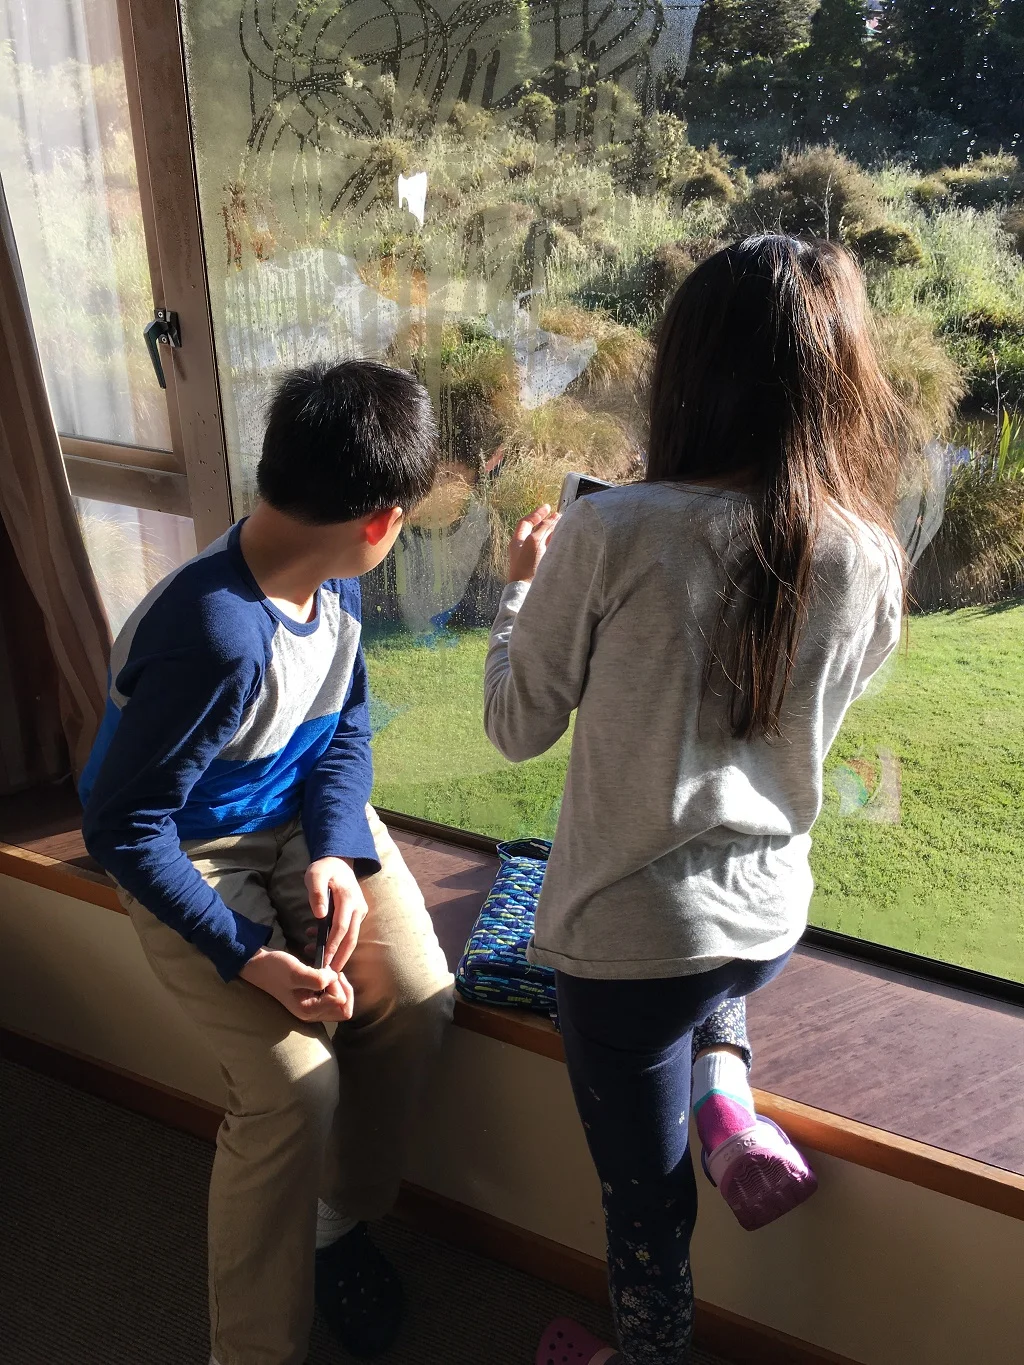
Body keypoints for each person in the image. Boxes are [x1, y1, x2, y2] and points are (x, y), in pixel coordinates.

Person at [483, 236, 906, 1365]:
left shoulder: (609, 529)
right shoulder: (867, 554)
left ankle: (648, 1354)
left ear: (688, 373)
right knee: (710, 981)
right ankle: (724, 1102)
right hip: (763, 925)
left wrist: (519, 594)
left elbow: (517, 725)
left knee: (644, 1204)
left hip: (626, 952)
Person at [80, 361, 454, 1365]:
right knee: (292, 1090)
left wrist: (334, 848)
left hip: (298, 816)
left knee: (416, 1000)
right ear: (381, 522)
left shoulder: (329, 579)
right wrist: (246, 953)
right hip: (187, 846)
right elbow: (121, 825)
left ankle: (334, 1225)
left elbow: (345, 725)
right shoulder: (217, 634)